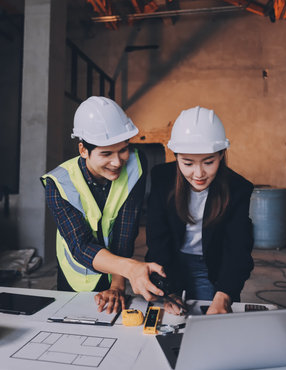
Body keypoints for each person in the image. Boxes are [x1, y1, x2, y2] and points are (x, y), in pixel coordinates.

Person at [41, 96, 165, 314]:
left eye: (123, 150)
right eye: (106, 153)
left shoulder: (136, 163)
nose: (117, 162)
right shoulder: (58, 183)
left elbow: (125, 230)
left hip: (117, 271)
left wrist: (117, 284)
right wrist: (131, 269)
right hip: (76, 275)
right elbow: (80, 245)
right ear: (83, 150)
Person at [146, 106, 254, 315]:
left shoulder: (238, 188)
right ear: (176, 156)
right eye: (187, 163)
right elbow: (158, 240)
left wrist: (223, 295)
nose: (198, 173)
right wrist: (169, 291)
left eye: (208, 162)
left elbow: (238, 248)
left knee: (210, 325)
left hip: (212, 266)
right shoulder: (162, 179)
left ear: (222, 154)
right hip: (170, 263)